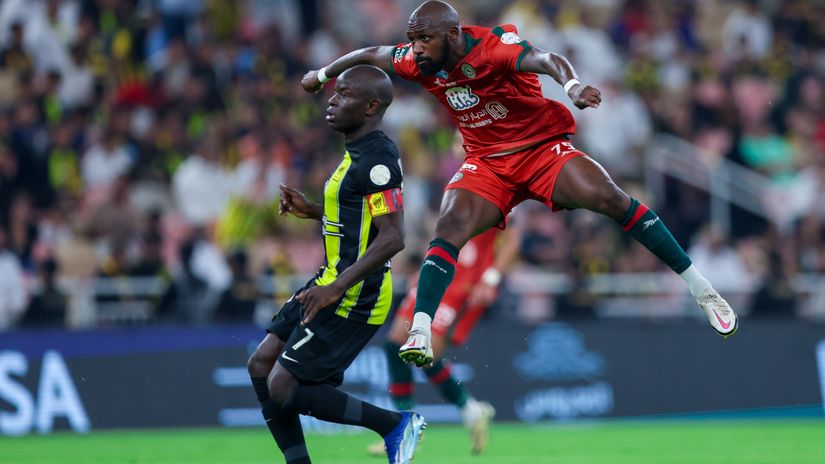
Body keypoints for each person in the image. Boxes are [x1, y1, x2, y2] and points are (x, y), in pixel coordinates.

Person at [301, 1, 738, 367]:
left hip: (539, 149)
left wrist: (571, 85)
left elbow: (546, 59)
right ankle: (420, 332)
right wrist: (322, 75)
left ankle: (703, 290)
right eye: (412, 40)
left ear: (452, 34)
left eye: (424, 40)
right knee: (449, 226)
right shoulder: (418, 61)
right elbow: (373, 52)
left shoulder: (492, 49)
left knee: (610, 197)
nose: (415, 49)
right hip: (487, 164)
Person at [247, 65, 425, 464]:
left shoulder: (377, 159)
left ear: (370, 106)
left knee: (283, 387)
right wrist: (313, 210)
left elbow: (393, 237)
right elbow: (355, 218)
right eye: (334, 93)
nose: (331, 100)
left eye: (344, 95)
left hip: (353, 293)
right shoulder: (357, 151)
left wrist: (337, 287)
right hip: (330, 281)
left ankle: (394, 424)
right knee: (261, 364)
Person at [373, 223, 521, 456]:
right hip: (436, 275)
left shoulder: (497, 190)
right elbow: (445, 232)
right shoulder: (452, 188)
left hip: (462, 286)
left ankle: (416, 426)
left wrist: (490, 279)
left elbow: (512, 239)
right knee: (395, 345)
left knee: (426, 353)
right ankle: (406, 426)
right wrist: (426, 267)